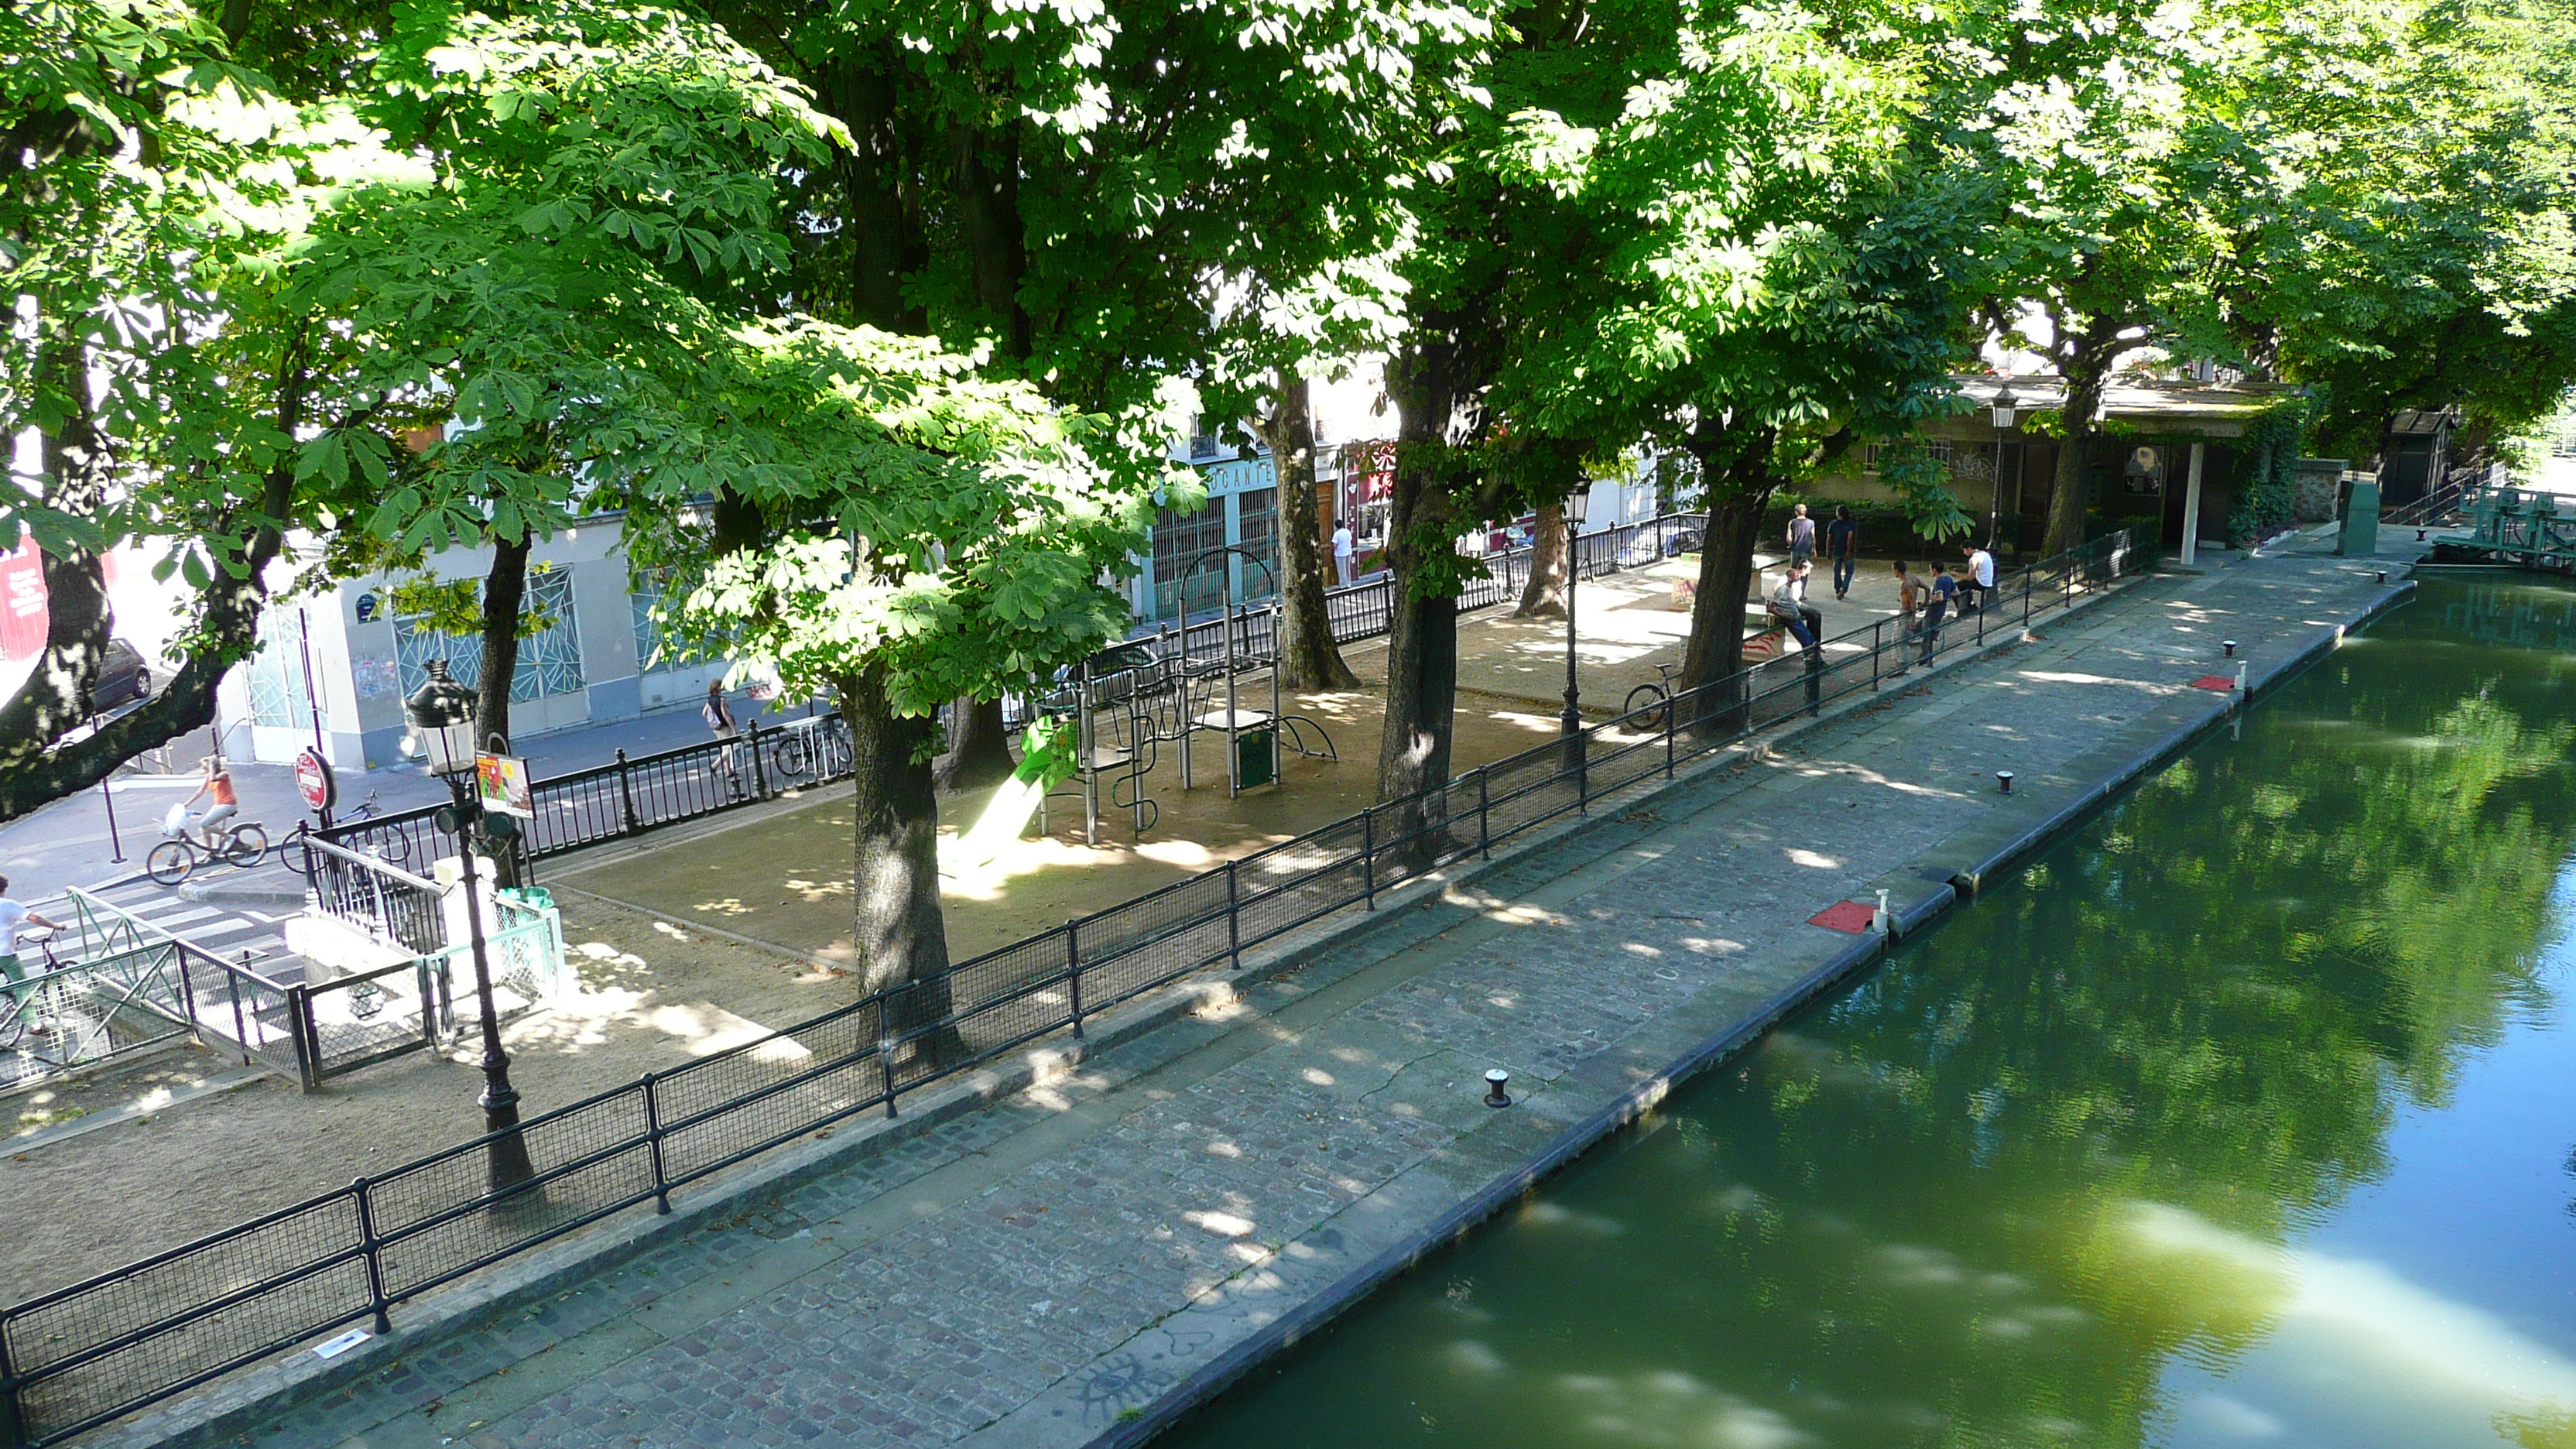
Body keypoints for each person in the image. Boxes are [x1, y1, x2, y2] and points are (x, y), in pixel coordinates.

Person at [0, 878, 63, 1036]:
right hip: (6, 956)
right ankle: (34, 1025)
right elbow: (35, 919)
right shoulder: (7, 905)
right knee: (23, 988)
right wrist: (56, 926)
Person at [183, 755, 238, 848]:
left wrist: (212, 766)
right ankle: (210, 851)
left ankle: (229, 837)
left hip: (228, 804)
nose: (204, 770)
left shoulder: (224, 774)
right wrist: (186, 804)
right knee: (203, 828)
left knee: (205, 824)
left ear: (212, 767)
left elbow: (214, 779)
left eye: (206, 767)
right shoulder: (208, 776)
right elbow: (200, 792)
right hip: (218, 804)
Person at [1767, 563, 1821, 652]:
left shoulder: (1792, 588)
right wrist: (1783, 615)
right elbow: (1771, 607)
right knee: (1806, 640)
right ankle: (1812, 660)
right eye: (1795, 575)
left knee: (1809, 638)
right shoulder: (1782, 589)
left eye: (1798, 575)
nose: (1798, 577)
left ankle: (1816, 651)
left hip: (1794, 616)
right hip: (1790, 618)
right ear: (1789, 578)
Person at [703, 680, 742, 798]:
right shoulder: (722, 699)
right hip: (725, 727)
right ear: (717, 688)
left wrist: (714, 720)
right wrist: (734, 728)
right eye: (721, 686)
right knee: (731, 748)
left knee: (725, 748)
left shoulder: (709, 700)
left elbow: (704, 713)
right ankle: (714, 766)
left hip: (717, 728)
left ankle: (729, 771)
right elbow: (726, 715)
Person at [1921, 560, 1957, 664]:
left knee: (1926, 635)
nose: (1929, 571)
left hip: (1933, 611)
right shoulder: (1949, 579)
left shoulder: (1939, 582)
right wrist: (1948, 595)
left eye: (1930, 569)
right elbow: (1957, 592)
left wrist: (1928, 597)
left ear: (1934, 570)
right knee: (1932, 631)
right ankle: (1929, 655)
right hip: (1942, 610)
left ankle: (1927, 657)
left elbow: (1939, 597)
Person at [1827, 505, 1858, 601]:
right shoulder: (1850, 524)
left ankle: (1837, 588)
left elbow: (1829, 538)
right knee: (1849, 571)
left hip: (1837, 549)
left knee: (1837, 570)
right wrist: (1849, 550)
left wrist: (1828, 550)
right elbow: (1850, 538)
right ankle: (1844, 587)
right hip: (1846, 550)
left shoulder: (1833, 524)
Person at [1961, 541, 1996, 612]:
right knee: (1965, 584)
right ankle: (1970, 604)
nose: (1964, 553)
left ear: (1969, 549)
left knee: (1957, 586)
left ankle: (1965, 608)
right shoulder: (1984, 553)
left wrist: (1958, 575)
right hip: (1988, 581)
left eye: (1964, 550)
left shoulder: (1974, 559)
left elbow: (1970, 577)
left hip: (1981, 583)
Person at [1786, 503, 1815, 572]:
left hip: (1795, 549)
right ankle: (1803, 582)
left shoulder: (1792, 522)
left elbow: (1789, 538)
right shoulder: (1811, 523)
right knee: (1805, 569)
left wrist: (1791, 545)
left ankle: (1795, 582)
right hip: (1806, 549)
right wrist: (1814, 549)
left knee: (1794, 570)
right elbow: (1813, 537)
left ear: (1796, 512)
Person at [1331, 518, 1356, 587]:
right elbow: (1350, 540)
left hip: (1340, 554)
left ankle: (1343, 585)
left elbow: (1335, 545)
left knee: (1342, 570)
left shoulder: (1337, 534)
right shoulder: (1347, 531)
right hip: (1348, 552)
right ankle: (1348, 583)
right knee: (1347, 569)